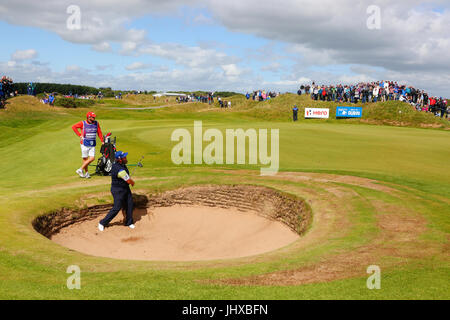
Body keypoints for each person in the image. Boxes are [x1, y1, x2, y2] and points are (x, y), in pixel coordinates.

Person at [98, 151, 135, 231]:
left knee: (130, 204)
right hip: (118, 190)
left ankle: (129, 222)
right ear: (119, 159)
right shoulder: (119, 169)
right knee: (117, 207)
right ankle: (102, 223)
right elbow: (129, 181)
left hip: (125, 188)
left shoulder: (121, 165)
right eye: (124, 157)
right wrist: (132, 182)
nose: (126, 158)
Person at [72, 112, 104, 178]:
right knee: (85, 158)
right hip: (84, 143)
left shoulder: (96, 123)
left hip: (92, 143)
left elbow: (99, 132)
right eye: (92, 117)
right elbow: (74, 127)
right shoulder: (82, 123)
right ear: (88, 117)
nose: (94, 118)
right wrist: (79, 135)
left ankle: (80, 169)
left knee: (92, 158)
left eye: (94, 117)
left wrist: (102, 140)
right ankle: (86, 173)